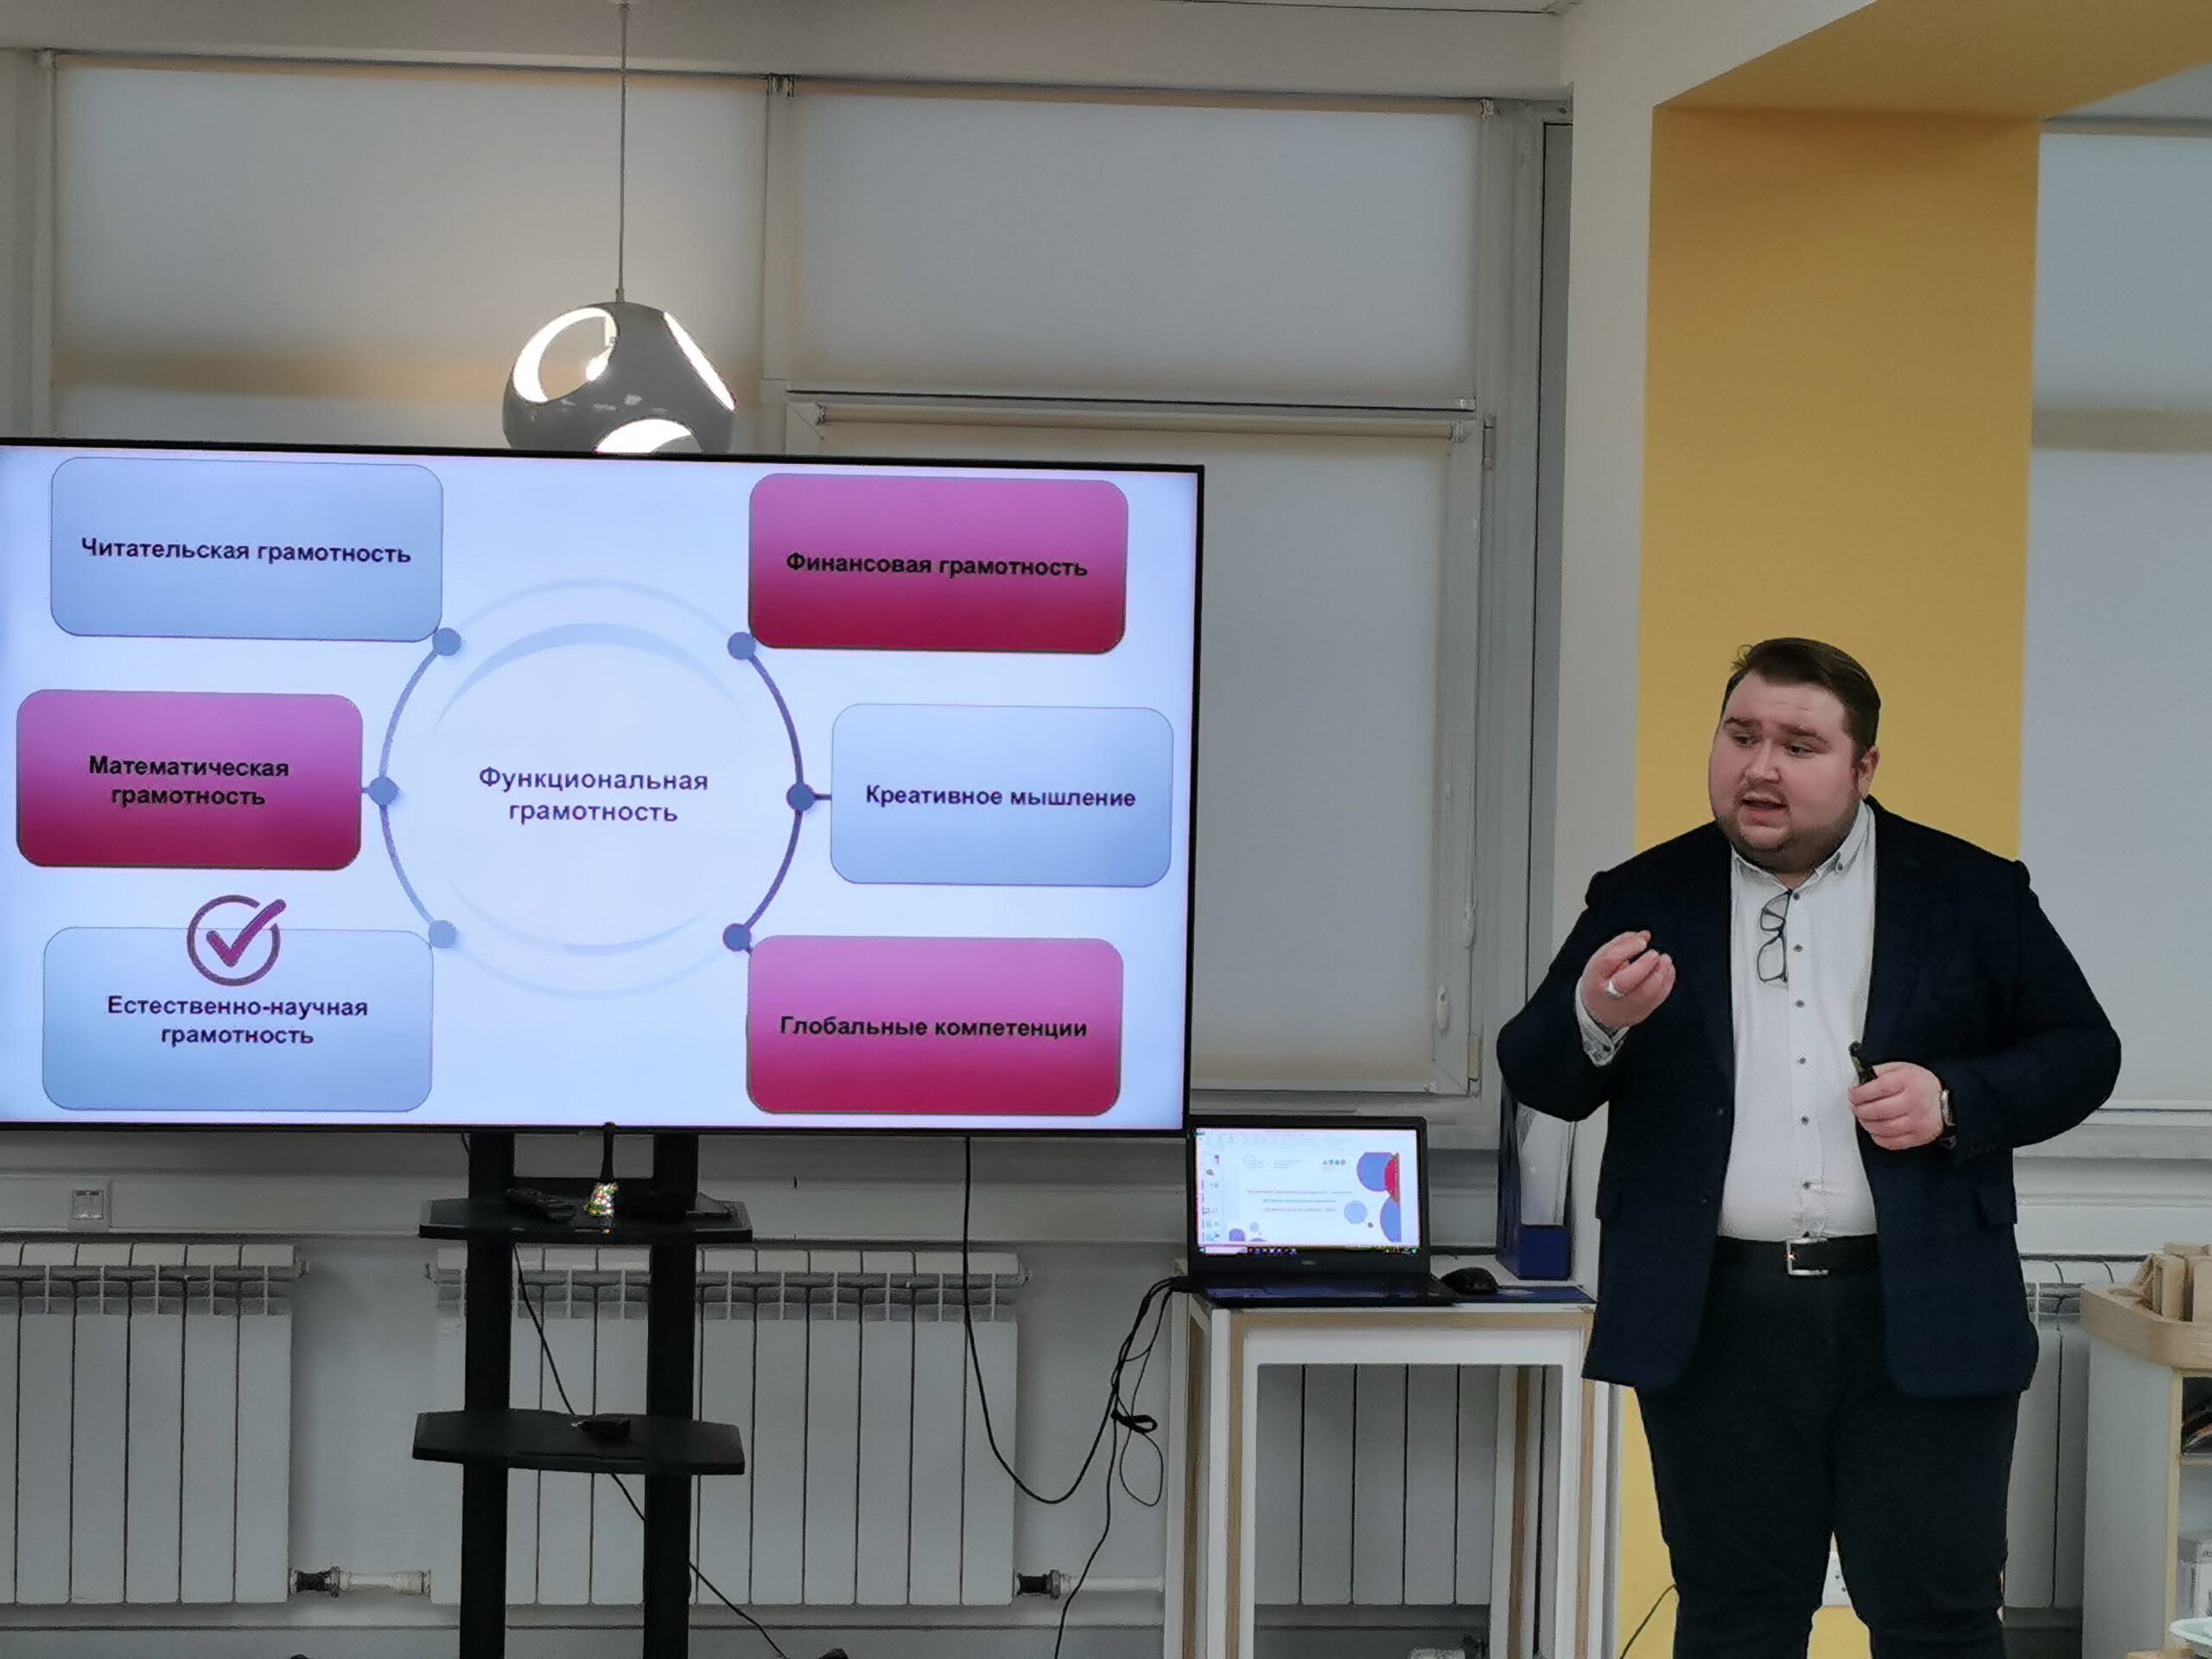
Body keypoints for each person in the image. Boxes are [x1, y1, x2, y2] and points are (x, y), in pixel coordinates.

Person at [1497, 638, 2120, 1659]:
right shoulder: (1646, 893)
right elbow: (1539, 1073)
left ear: (1862, 767)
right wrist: (1594, 1016)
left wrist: (1955, 1098)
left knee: (1939, 1622)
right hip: (1716, 1322)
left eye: (1797, 745)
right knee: (1734, 1617)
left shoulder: (1968, 889)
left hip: (1921, 1307)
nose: (1760, 768)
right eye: (1740, 736)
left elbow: (2083, 1051)